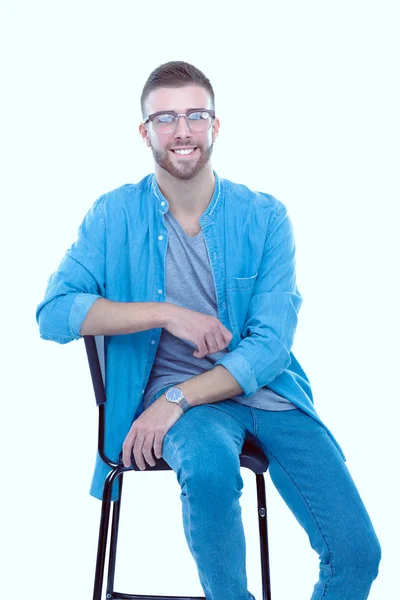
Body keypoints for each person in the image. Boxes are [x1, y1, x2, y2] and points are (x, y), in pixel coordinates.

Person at [35, 60, 381, 600]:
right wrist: (165, 313)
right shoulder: (113, 216)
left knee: (358, 555)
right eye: (166, 117)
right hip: (177, 409)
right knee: (212, 474)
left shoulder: (265, 217)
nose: (182, 130)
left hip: (264, 395)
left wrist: (178, 396)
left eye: (196, 115)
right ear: (144, 131)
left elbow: (269, 348)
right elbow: (53, 314)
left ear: (215, 126)